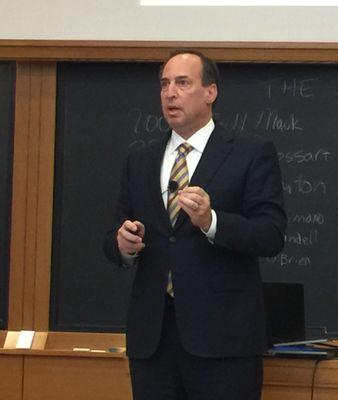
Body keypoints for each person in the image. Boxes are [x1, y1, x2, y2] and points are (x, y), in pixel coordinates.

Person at [103, 50, 287, 400]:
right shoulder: (140, 162)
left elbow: (271, 234)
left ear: (210, 92)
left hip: (224, 342)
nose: (170, 93)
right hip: (153, 341)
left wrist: (212, 221)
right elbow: (112, 236)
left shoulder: (250, 153)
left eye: (183, 83)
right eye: (164, 84)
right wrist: (122, 245)